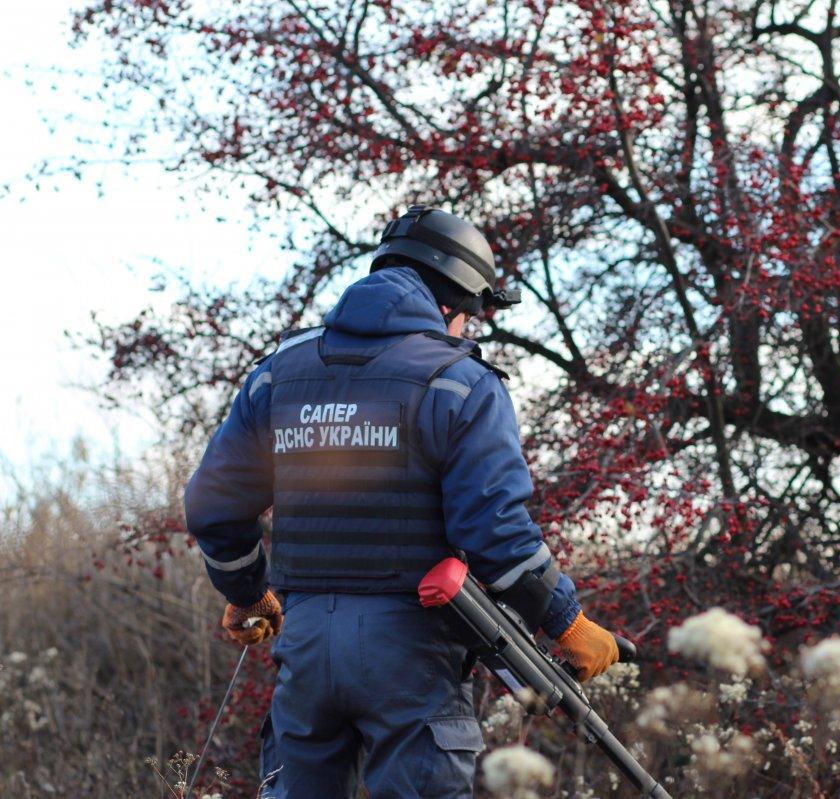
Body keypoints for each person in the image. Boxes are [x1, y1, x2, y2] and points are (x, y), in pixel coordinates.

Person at [184, 205, 620, 798]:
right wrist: (567, 622)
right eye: (471, 318)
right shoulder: (459, 382)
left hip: (306, 643)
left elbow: (213, 505)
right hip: (413, 649)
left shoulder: (277, 374)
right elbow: (494, 530)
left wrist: (245, 592)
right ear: (451, 305)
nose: (466, 332)